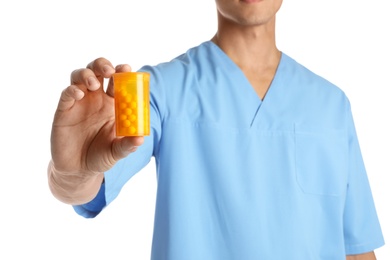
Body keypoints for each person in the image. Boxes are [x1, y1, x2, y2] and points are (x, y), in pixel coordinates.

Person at [47, 0, 384, 259]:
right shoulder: (159, 92)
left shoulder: (331, 105)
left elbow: (356, 248)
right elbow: (86, 186)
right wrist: (71, 170)